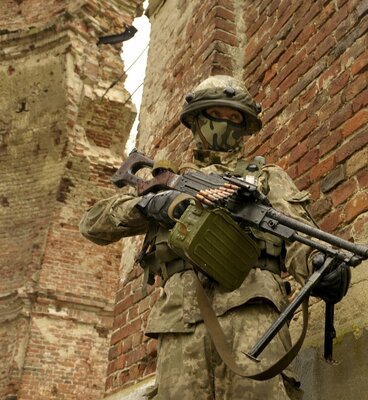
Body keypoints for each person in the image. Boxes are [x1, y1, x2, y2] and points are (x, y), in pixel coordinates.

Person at [80, 75, 350, 399]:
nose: (224, 124)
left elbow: (298, 239)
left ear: (245, 124)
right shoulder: (167, 182)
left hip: (253, 322)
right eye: (215, 115)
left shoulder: (267, 179)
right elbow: (93, 224)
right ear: (196, 120)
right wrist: (152, 204)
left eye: (234, 117)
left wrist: (321, 267)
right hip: (180, 329)